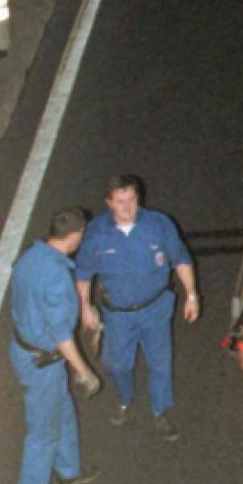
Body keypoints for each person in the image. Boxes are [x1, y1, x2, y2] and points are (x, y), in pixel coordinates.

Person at [75, 174, 199, 442]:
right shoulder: (96, 233)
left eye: (132, 199)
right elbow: (83, 273)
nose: (128, 207)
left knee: (159, 361)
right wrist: (84, 307)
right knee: (116, 364)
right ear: (109, 202)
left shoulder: (158, 224)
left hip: (155, 308)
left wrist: (191, 295)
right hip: (117, 313)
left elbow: (180, 258)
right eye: (120, 202)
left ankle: (160, 410)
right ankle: (124, 399)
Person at [9, 207, 102, 484]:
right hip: (43, 362)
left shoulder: (29, 258)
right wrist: (84, 372)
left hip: (23, 347)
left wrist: (82, 306)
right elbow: (62, 336)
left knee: (61, 410)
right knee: (42, 432)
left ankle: (68, 471)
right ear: (75, 238)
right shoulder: (58, 277)